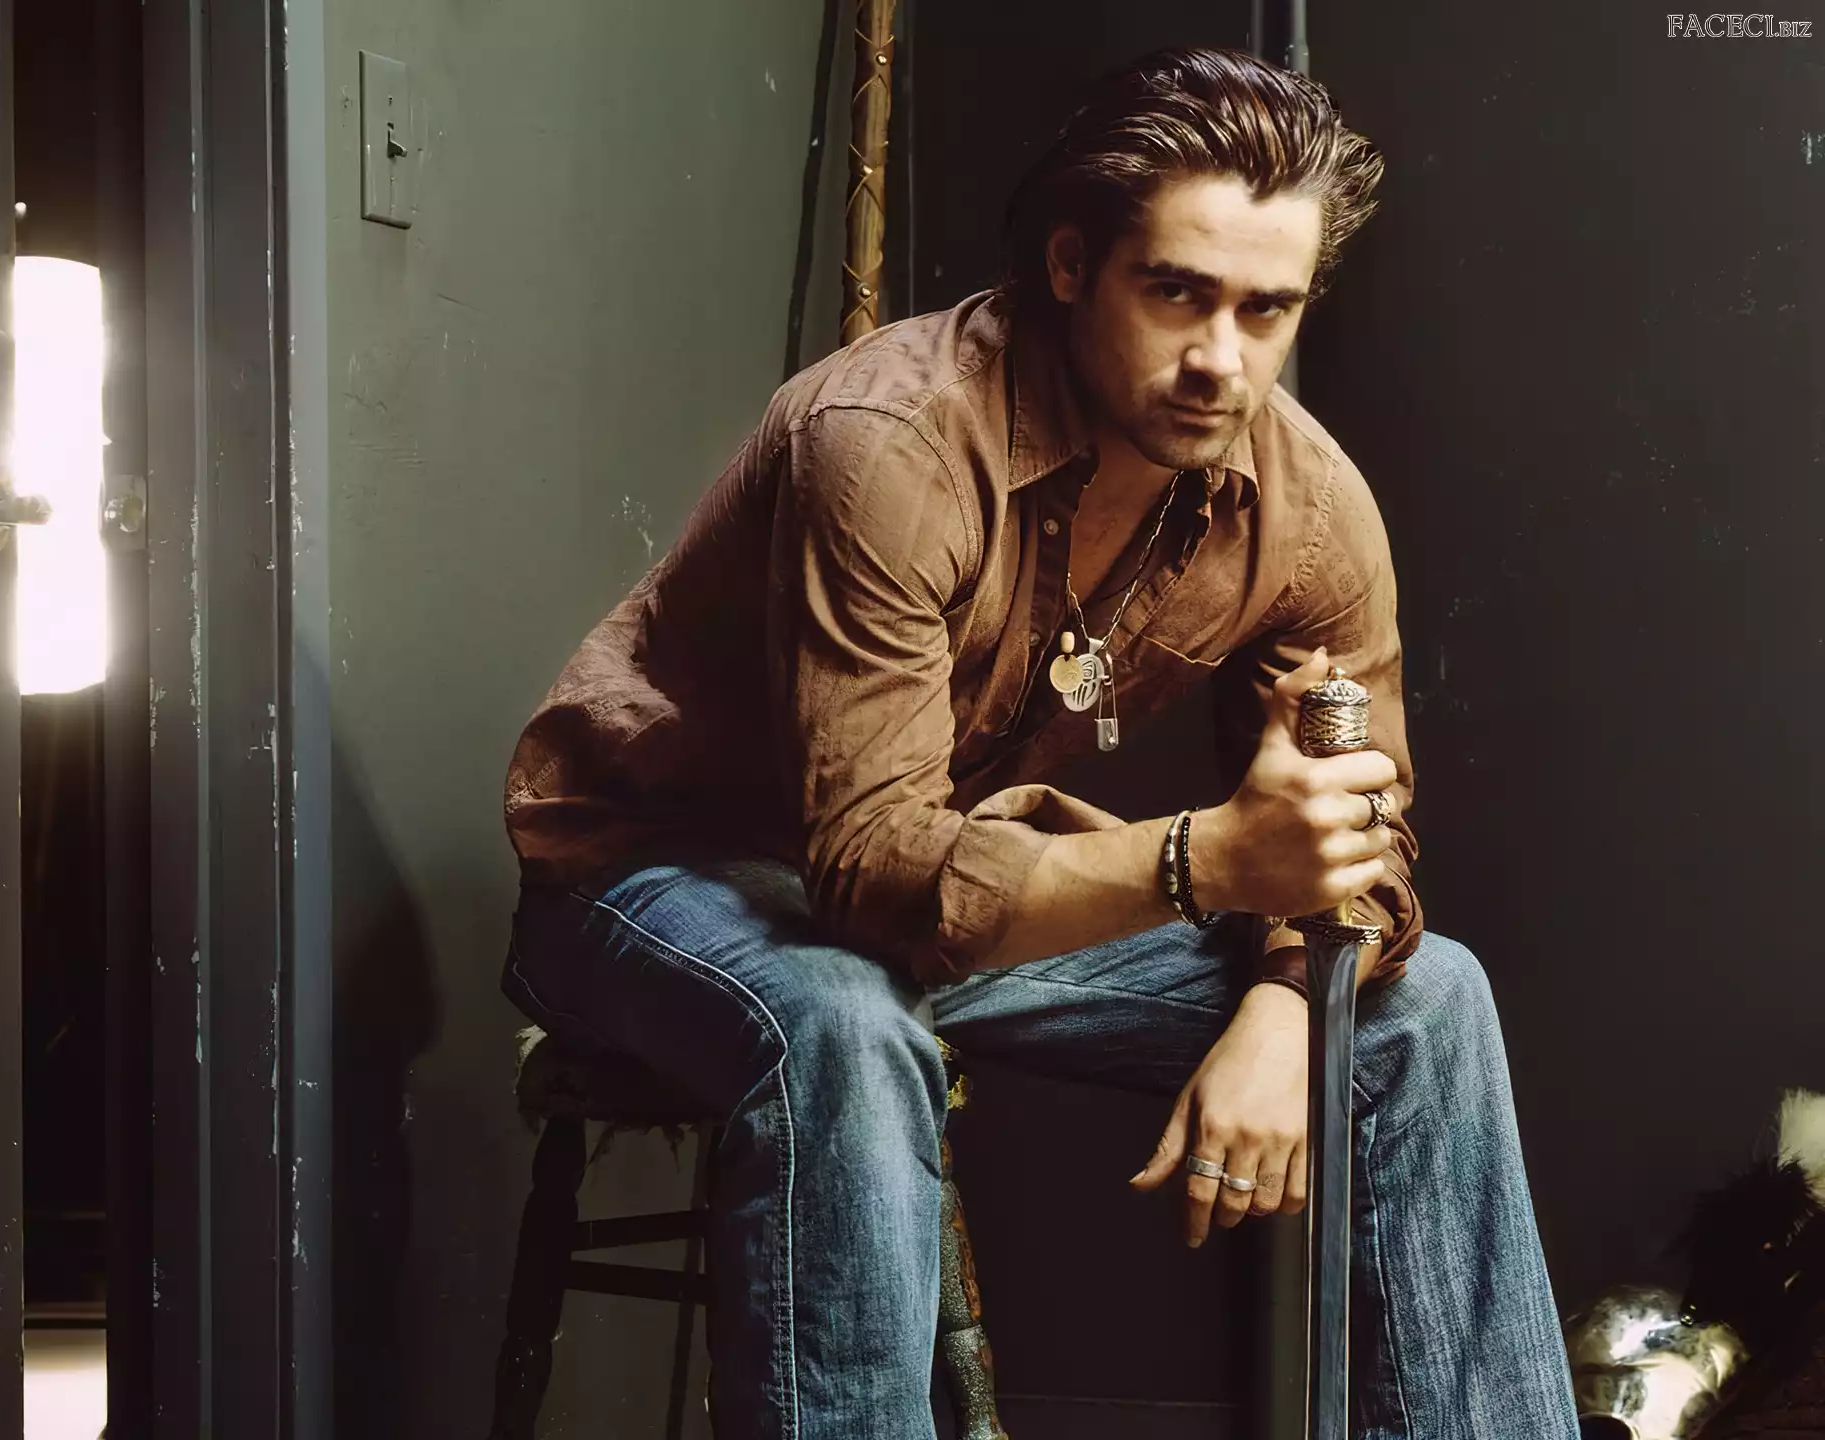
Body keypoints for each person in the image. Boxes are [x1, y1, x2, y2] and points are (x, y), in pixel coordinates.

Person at [502, 46, 1577, 1440]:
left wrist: (1286, 1001)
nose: (1222, 359)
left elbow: (1358, 842)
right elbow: (869, 875)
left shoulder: (1307, 510)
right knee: (844, 1021)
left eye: (1267, 309)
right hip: (659, 875)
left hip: (948, 885)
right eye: (1177, 292)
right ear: (1072, 265)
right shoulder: (889, 442)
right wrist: (1206, 862)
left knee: (1428, 1006)